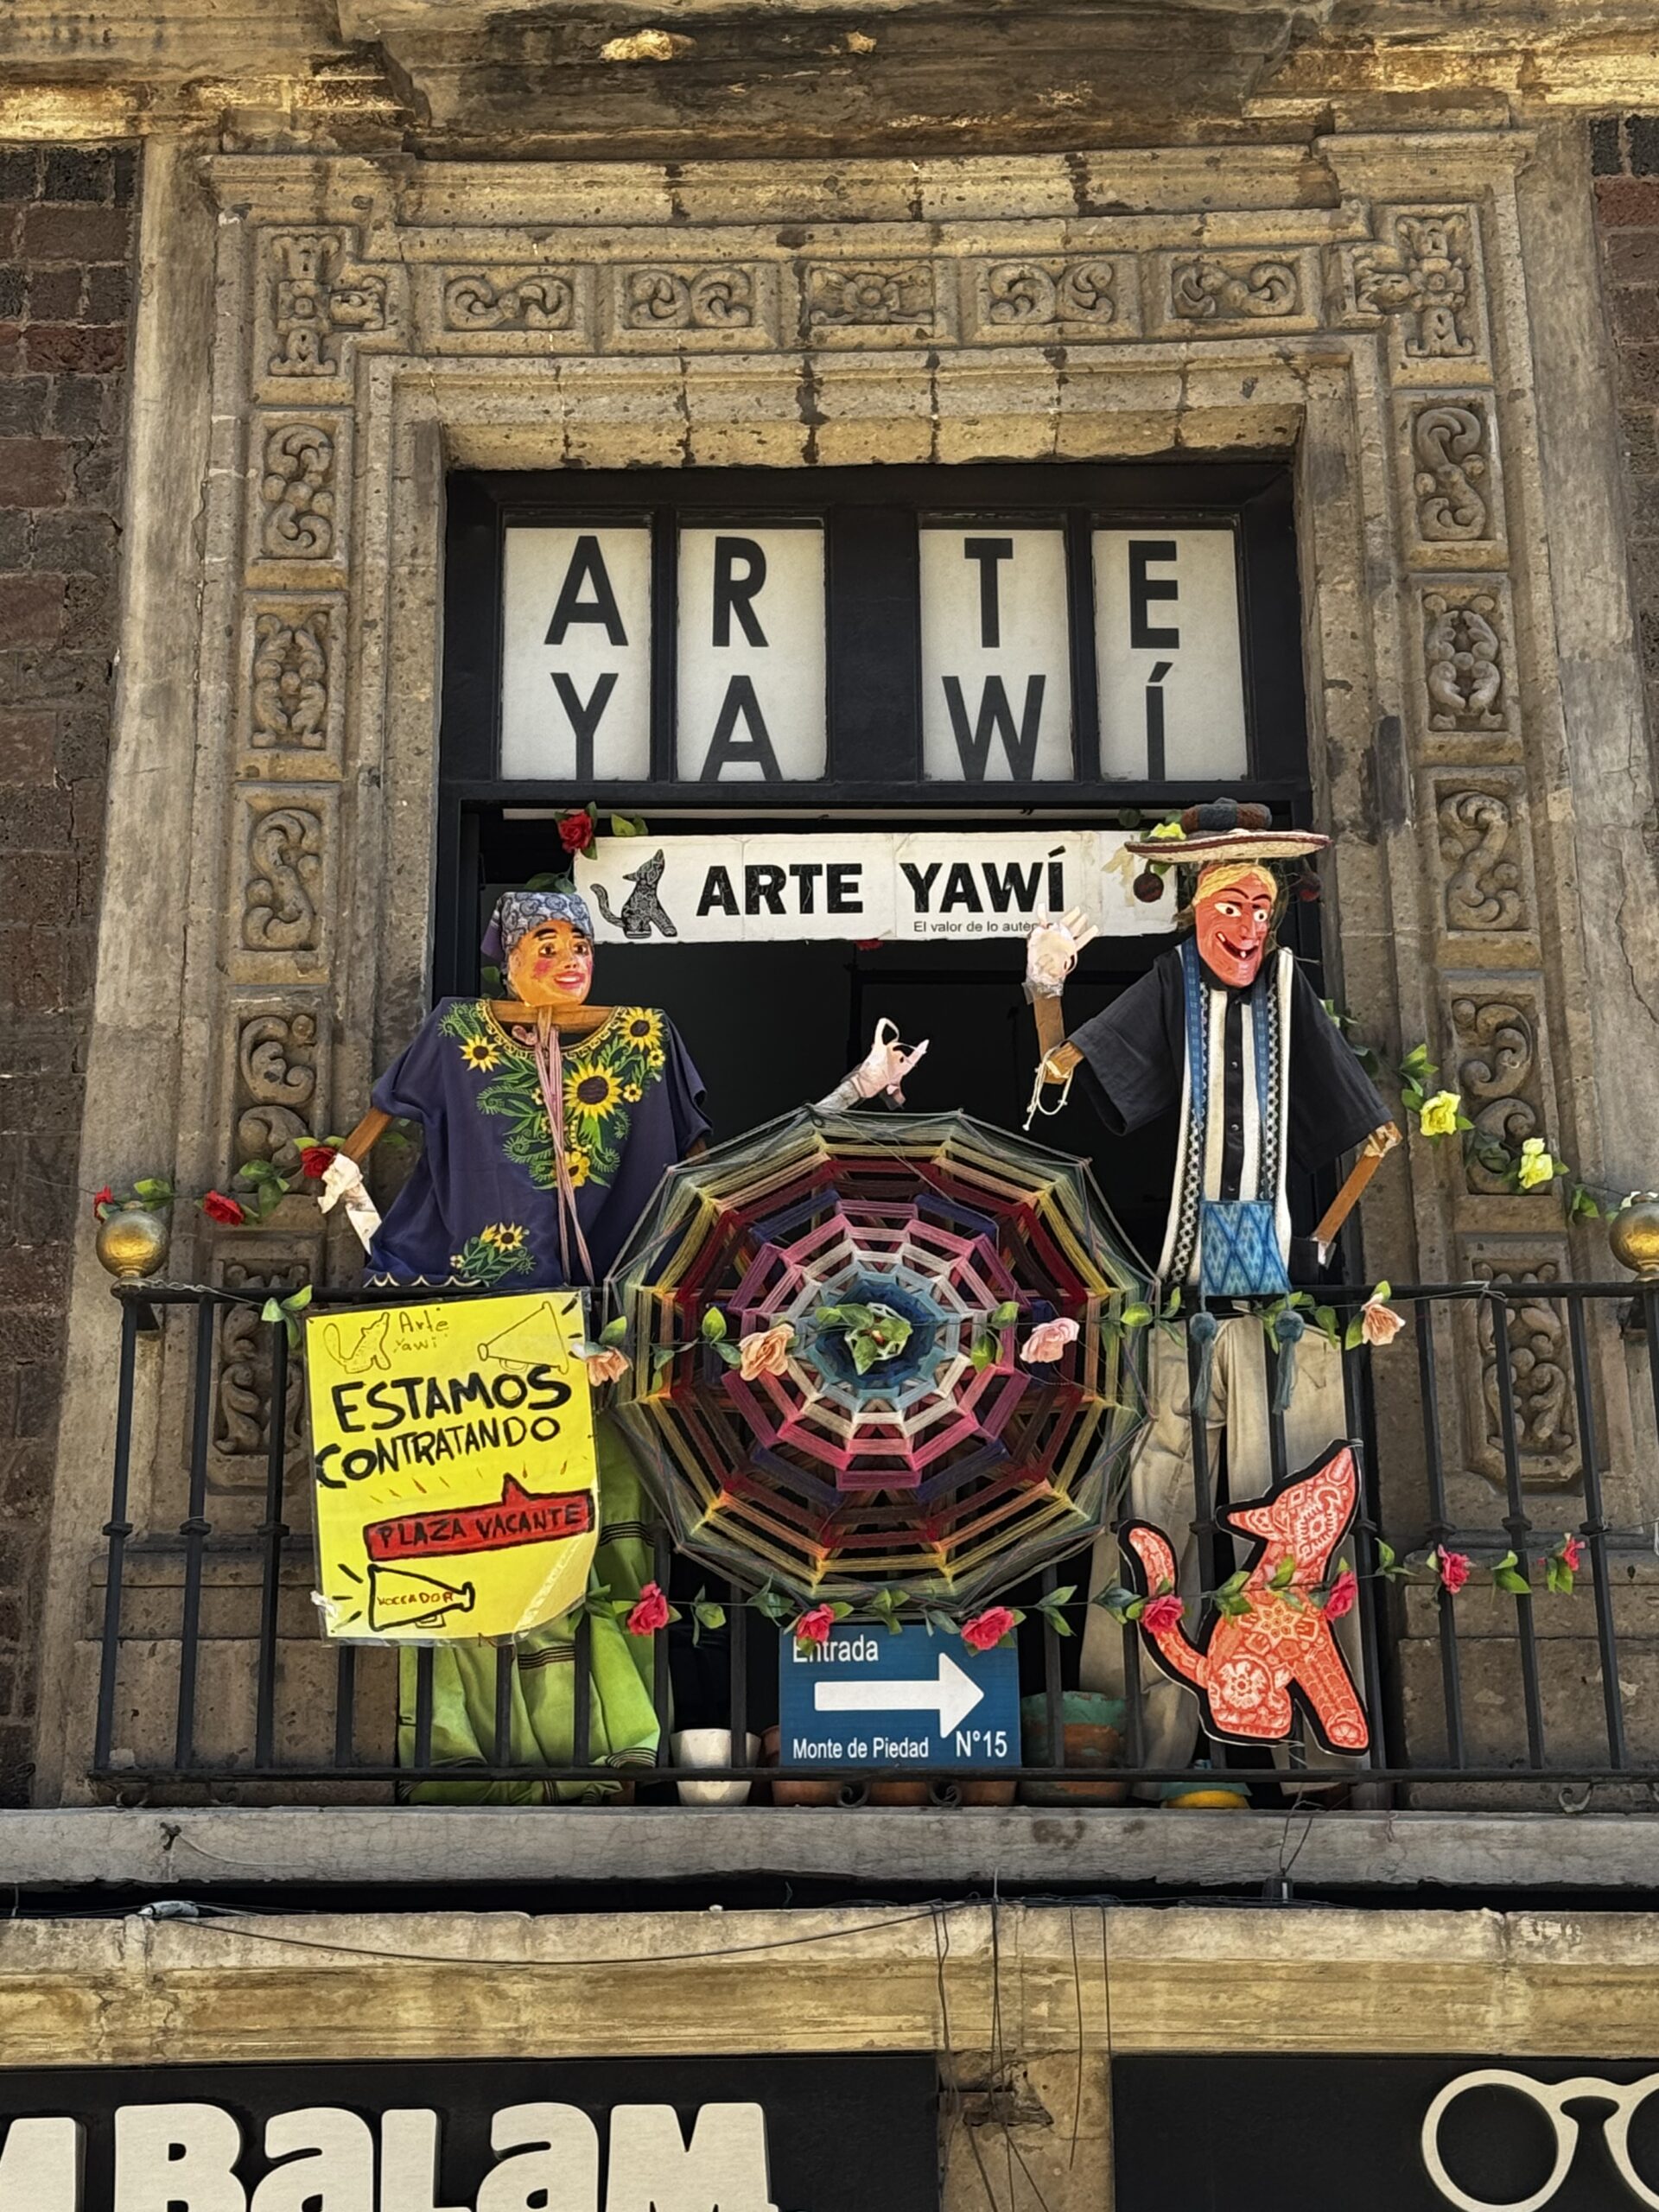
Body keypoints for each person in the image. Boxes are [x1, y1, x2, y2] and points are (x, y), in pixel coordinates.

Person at [1026, 799, 1398, 1783]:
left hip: (1273, 1300)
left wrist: (1325, 1233)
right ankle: (1136, 1757)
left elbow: (1364, 1124)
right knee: (1153, 1513)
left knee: (1295, 1522)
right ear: (1194, 908)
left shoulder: (1288, 988)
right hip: (1174, 1297)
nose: (1248, 926)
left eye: (1262, 908)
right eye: (1231, 904)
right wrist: (1044, 989)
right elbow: (1063, 1077)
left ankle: (1313, 1763)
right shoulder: (1171, 984)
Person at [326, 887, 709, 1802]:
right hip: (477, 1325)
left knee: (604, 1535)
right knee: (466, 1532)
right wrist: (341, 1164)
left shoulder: (647, 1038)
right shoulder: (459, 1033)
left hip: (604, 1328)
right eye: (547, 940)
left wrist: (713, 1249)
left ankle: (610, 1748)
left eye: (582, 941)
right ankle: (471, 1753)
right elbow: (384, 1114)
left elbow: (695, 1160)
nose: (570, 957)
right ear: (508, 956)